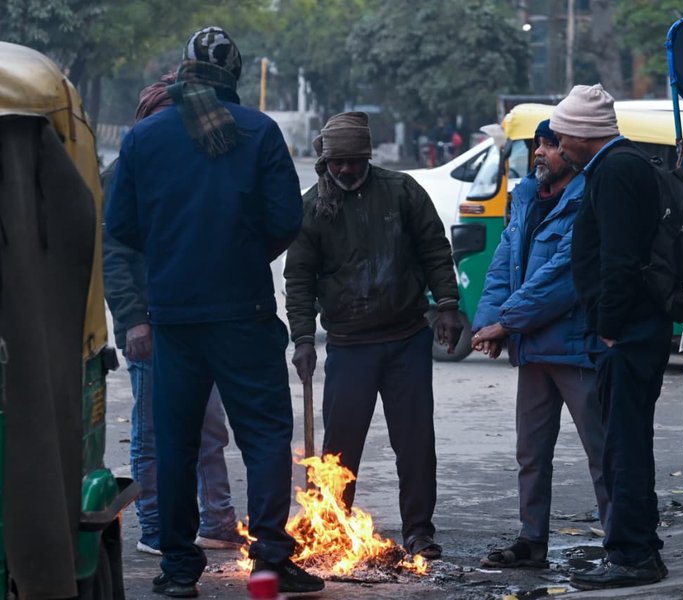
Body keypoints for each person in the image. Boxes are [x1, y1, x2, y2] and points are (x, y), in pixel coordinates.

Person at [105, 27, 323, 597]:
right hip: (243, 310)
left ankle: (179, 571)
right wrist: (240, 255)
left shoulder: (144, 139)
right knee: (266, 437)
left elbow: (123, 228)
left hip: (174, 315)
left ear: (183, 72)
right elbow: (285, 221)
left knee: (175, 442)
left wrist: (175, 256)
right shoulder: (259, 132)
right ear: (236, 76)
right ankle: (270, 566)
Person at [284, 111, 463, 560]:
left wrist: (447, 305)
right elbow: (299, 278)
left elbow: (435, 250)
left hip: (406, 340)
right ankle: (334, 529)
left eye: (354, 161)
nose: (346, 170)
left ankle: (419, 531)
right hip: (348, 345)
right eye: (337, 162)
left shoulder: (401, 191)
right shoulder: (311, 207)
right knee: (339, 451)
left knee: (416, 442)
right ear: (325, 162)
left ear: (367, 157)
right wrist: (303, 338)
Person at [102, 73, 245, 557]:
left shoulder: (193, 163)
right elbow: (115, 258)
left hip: (194, 317)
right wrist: (133, 321)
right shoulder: (122, 173)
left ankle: (219, 522)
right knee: (153, 433)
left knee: (208, 426)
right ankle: (155, 528)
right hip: (150, 322)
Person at [548, 84, 672, 590]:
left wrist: (610, 330)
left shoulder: (618, 170)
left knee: (624, 446)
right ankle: (637, 547)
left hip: (629, 334)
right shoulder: (616, 167)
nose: (554, 141)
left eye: (559, 133)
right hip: (631, 330)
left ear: (580, 134)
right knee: (626, 444)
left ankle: (632, 556)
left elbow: (619, 260)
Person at [470, 119, 609, 570]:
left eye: (550, 144)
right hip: (532, 349)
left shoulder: (587, 197)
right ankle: (531, 542)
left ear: (569, 150)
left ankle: (621, 541)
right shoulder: (527, 196)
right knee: (530, 454)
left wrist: (506, 323)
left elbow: (562, 279)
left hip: (575, 347)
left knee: (602, 451)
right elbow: (503, 265)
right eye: (538, 145)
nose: (541, 153)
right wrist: (488, 323)